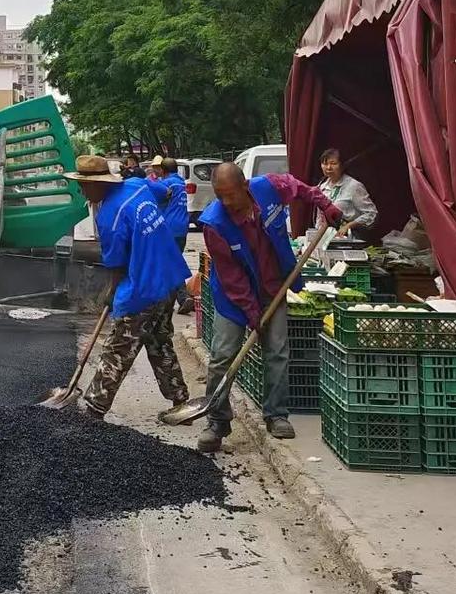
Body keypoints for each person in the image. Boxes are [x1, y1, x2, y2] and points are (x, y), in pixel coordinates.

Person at [197, 162, 343, 450]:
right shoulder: (214, 224)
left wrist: (326, 205)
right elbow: (233, 278)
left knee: (277, 352)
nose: (226, 202)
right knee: (222, 356)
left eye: (231, 194)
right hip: (233, 297)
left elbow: (300, 188)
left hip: (274, 285)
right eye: (220, 195)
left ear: (245, 186)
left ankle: (276, 415)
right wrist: (253, 314)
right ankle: (217, 421)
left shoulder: (269, 187)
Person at [69, 156, 191, 420]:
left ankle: (92, 410)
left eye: (84, 185)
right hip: (169, 276)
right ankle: (180, 399)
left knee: (119, 347)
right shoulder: (137, 184)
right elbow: (164, 191)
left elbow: (116, 266)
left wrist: (112, 295)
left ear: (100, 183)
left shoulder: (109, 216)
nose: (82, 190)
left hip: (144, 285)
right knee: (158, 340)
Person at [145, 156, 193, 312]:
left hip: (169, 228)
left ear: (163, 170)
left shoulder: (165, 184)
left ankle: (183, 297)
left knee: (171, 263)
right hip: (182, 227)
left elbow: (152, 198)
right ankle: (170, 299)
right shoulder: (181, 183)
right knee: (172, 262)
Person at [316, 148, 377, 241]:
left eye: (333, 163)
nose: (328, 167)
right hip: (327, 239)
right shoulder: (321, 187)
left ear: (342, 165)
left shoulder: (353, 186)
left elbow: (371, 213)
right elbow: (319, 217)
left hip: (350, 239)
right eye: (325, 163)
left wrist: (349, 226)